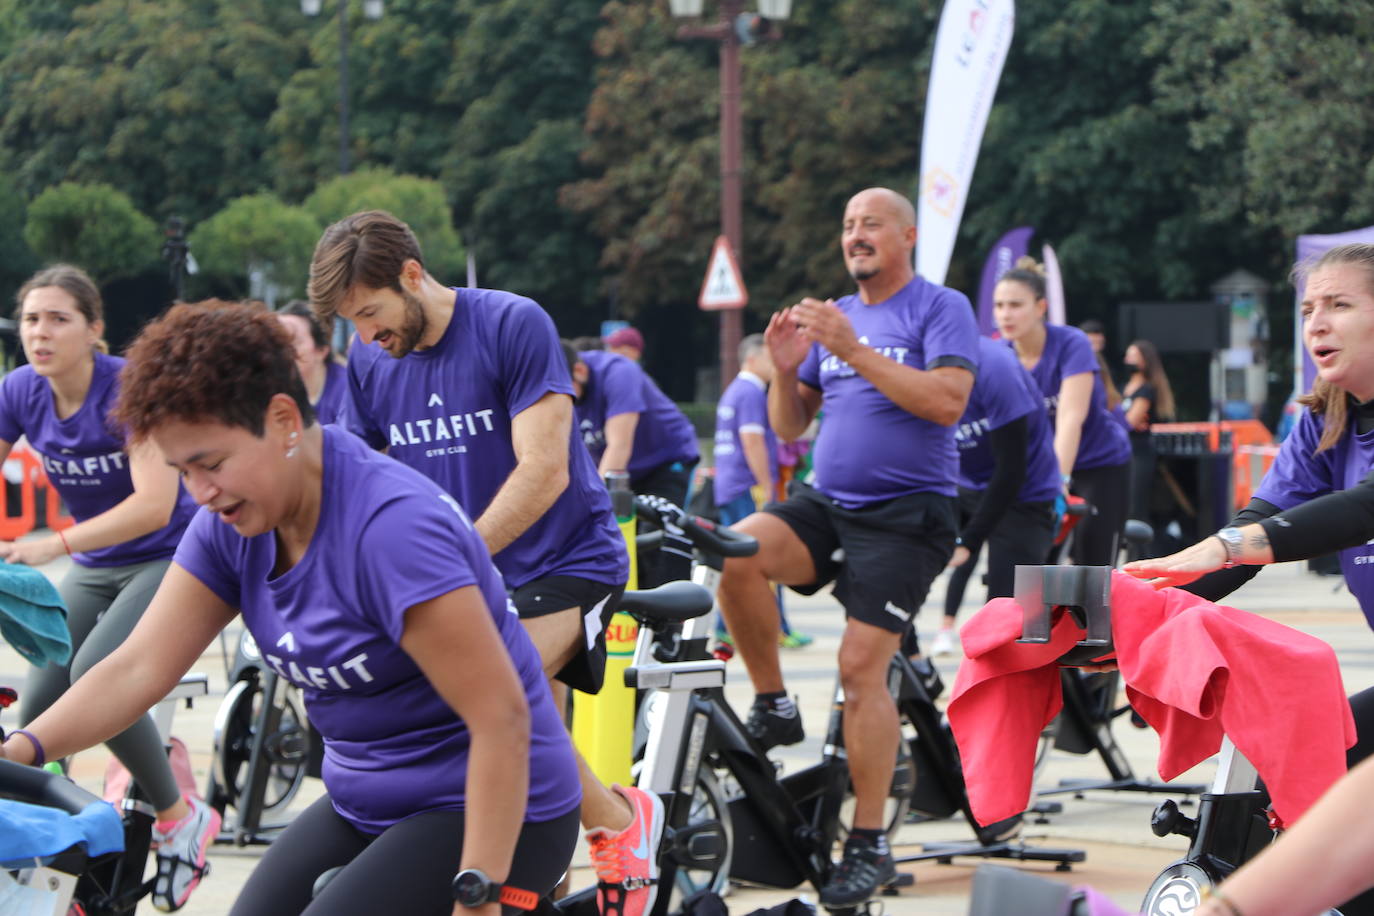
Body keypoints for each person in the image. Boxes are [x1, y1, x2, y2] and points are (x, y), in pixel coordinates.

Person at [0, 302, 581, 915]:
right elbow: (137, 667)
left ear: (282, 420)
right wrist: (23, 749)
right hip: (365, 801)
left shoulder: (391, 531)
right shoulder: (230, 525)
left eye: (212, 464)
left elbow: (502, 719)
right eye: (182, 471)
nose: (200, 492)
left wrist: (479, 892)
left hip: (493, 810)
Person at [309, 211, 658, 916]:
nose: (367, 337)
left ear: (412, 275)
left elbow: (545, 470)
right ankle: (538, 887)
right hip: (470, 571)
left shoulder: (510, 324)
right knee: (525, 744)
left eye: (372, 314)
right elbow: (353, 480)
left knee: (496, 703)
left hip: (567, 560)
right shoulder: (374, 360)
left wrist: (449, 560)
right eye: (352, 323)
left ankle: (622, 824)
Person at [715, 187, 978, 907]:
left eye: (870, 224)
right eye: (847, 225)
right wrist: (779, 369)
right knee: (736, 552)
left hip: (907, 516)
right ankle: (772, 703)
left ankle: (867, 841)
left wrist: (851, 350)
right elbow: (792, 426)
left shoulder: (936, 307)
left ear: (907, 235)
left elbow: (947, 402)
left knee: (861, 667)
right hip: (828, 504)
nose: (855, 235)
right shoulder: (837, 316)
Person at [1124, 243, 1374, 916]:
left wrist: (1228, 544)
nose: (1317, 323)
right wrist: (1126, 614)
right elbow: (1251, 535)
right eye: (1309, 308)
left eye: (1340, 305)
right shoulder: (1327, 420)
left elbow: (1361, 507)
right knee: (1319, 781)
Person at [0, 265, 215, 912]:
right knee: (35, 713)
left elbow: (155, 505)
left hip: (166, 556)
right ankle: (44, 870)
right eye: (32, 319)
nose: (41, 333)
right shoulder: (20, 391)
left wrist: (54, 544)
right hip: (96, 565)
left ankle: (181, 817)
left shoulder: (127, 389)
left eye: (59, 319)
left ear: (94, 331)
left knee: (97, 670)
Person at [995, 258, 1131, 566]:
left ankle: (1095, 613)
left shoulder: (1071, 343)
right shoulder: (1000, 356)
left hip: (1100, 462)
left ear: (1041, 306)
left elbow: (1071, 418)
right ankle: (1044, 615)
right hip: (1041, 469)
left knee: (1092, 567)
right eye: (999, 305)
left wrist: (1058, 482)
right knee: (1031, 564)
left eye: (1015, 304)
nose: (1005, 314)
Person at [931, 335, 1060, 656]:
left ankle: (1032, 685)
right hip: (966, 486)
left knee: (1013, 617)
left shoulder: (995, 367)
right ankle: (919, 661)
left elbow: (1012, 470)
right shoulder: (916, 363)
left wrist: (969, 541)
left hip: (1025, 492)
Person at [563, 342, 700, 588]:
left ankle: (667, 620)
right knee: (616, 548)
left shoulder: (618, 372)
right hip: (619, 470)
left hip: (664, 462)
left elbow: (619, 447)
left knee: (654, 542)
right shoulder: (558, 386)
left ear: (580, 372)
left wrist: (590, 509)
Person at [711, 334, 810, 649]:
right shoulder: (752, 392)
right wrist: (766, 487)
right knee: (766, 555)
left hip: (729, 485)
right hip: (746, 486)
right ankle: (778, 626)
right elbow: (752, 441)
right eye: (769, 358)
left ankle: (726, 625)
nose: (774, 365)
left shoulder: (734, 391)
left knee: (737, 559)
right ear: (752, 359)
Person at [1121, 338, 1175, 525]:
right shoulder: (1124, 388)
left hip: (1139, 451)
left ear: (1145, 361)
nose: (1128, 360)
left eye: (1133, 356)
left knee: (1136, 506)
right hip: (1124, 451)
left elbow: (1130, 421)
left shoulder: (1146, 390)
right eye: (1127, 355)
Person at [276, 300, 348, 425]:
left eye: (293, 341)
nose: (283, 349)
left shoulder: (347, 393)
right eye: (277, 341)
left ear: (321, 350)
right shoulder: (271, 390)